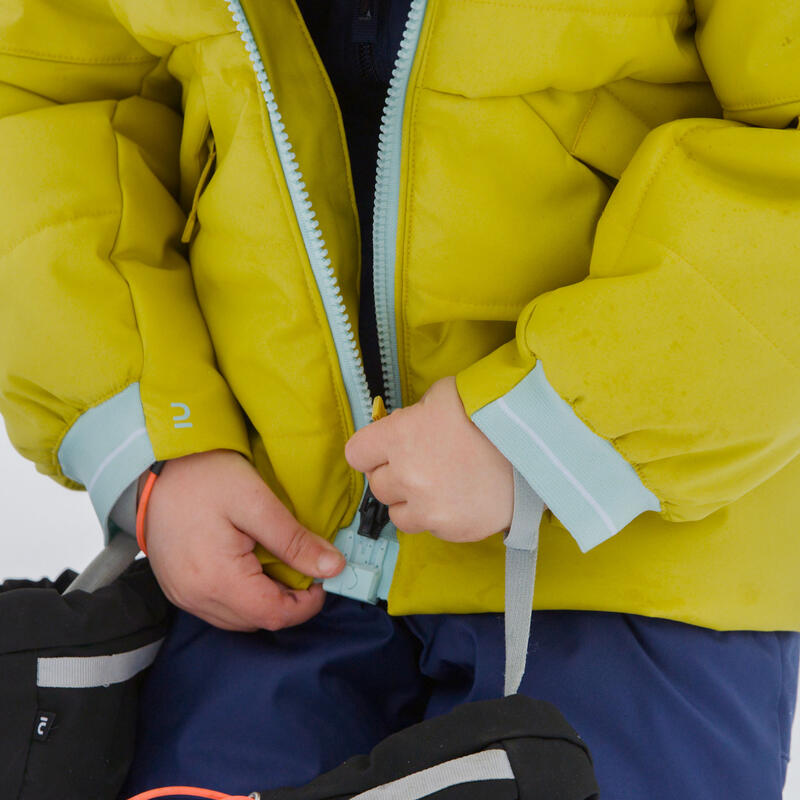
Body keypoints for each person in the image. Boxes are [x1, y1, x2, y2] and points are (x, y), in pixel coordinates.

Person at [0, 1, 798, 797]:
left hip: (628, 559)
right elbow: (49, 91)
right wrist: (155, 431)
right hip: (270, 550)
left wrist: (560, 421)